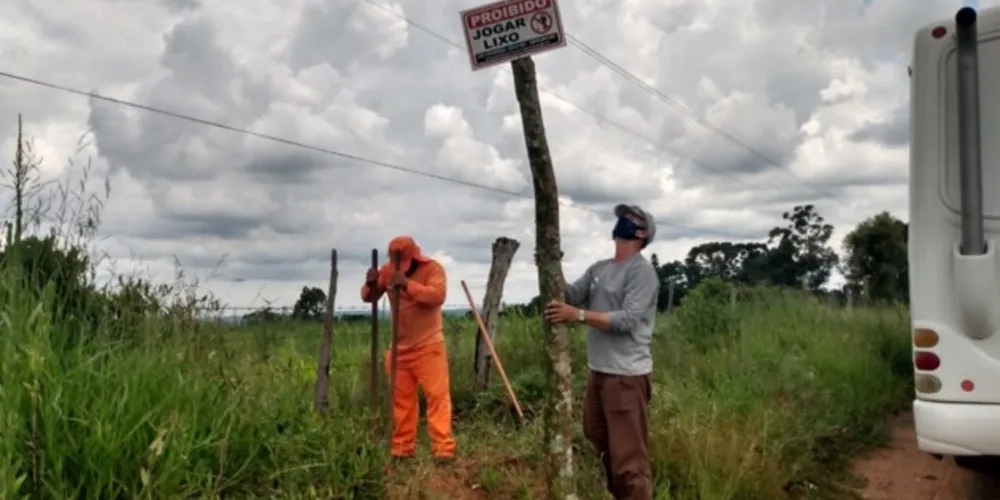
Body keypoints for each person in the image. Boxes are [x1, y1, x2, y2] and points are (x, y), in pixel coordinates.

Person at [544, 203, 660, 500]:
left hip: (626, 376)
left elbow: (628, 319)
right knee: (596, 436)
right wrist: (549, 262)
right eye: (622, 217)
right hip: (599, 372)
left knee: (629, 459)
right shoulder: (600, 268)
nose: (623, 220)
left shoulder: (642, 273)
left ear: (643, 233)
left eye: (631, 218)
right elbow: (569, 295)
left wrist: (579, 315)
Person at [361, 235, 456, 462]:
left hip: (428, 344)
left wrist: (406, 284)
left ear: (414, 255)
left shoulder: (432, 269)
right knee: (401, 400)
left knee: (437, 397)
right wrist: (370, 284)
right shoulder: (387, 270)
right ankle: (402, 449)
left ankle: (443, 449)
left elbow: (437, 296)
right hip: (399, 349)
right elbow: (369, 297)